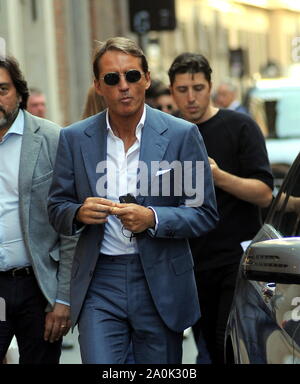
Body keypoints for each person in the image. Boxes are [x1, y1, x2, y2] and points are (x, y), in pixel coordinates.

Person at [48, 36, 219, 364]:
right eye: (112, 78)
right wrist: (79, 212)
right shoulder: (74, 138)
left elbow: (204, 213)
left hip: (159, 279)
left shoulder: (182, 135)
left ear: (147, 79)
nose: (123, 85)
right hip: (100, 278)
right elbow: (56, 208)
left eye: (132, 76)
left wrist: (153, 217)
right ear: (99, 86)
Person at [168, 52, 274, 364]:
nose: (191, 98)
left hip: (234, 259)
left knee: (226, 344)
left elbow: (264, 193)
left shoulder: (239, 126)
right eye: (183, 90)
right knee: (207, 348)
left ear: (210, 86)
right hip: (186, 262)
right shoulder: (166, 133)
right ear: (171, 91)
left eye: (198, 88)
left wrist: (217, 176)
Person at [0, 56, 77, 364]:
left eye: (2, 89)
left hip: (38, 286)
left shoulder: (52, 139)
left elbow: (72, 225)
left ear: (19, 93)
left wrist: (62, 298)